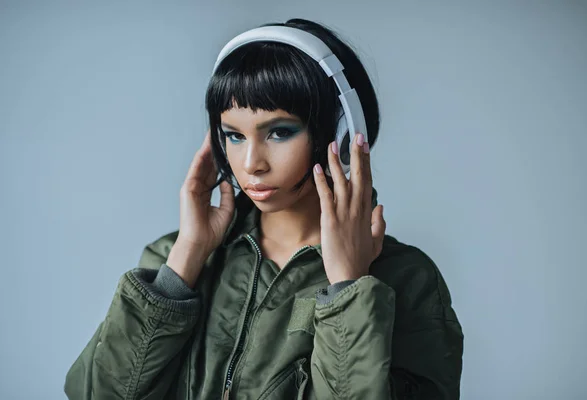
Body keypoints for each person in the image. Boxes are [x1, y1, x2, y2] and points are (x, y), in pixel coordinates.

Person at [64, 18, 463, 399]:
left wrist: (348, 290)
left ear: (342, 135)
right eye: (234, 136)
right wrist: (185, 259)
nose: (251, 162)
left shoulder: (406, 279)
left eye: (279, 132)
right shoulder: (172, 262)